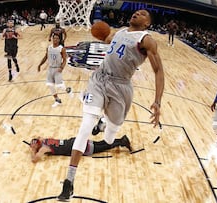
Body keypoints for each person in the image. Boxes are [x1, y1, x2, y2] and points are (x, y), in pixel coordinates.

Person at [57, 9, 165, 201]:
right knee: (84, 128)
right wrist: (101, 34)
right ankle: (69, 182)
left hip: (120, 88)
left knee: (109, 138)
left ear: (147, 23)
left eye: (142, 14)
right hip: (99, 80)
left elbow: (158, 72)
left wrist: (157, 101)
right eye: (137, 12)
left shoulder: (146, 40)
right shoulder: (121, 32)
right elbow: (109, 41)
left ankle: (105, 124)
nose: (137, 14)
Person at [29, 135, 132, 163]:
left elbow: (34, 160)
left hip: (76, 147)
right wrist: (36, 142)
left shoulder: (44, 148)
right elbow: (38, 137)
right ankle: (120, 140)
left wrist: (33, 151)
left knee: (103, 147)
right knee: (99, 143)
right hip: (73, 141)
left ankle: (122, 142)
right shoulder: (44, 140)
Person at [38, 34, 71, 107]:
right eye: (54, 38)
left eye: (57, 38)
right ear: (52, 39)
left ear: (59, 40)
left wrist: (62, 67)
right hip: (50, 68)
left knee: (59, 86)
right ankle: (57, 100)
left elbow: (65, 60)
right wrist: (40, 64)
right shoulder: (49, 48)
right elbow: (45, 57)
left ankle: (68, 90)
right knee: (50, 85)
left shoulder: (61, 49)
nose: (55, 40)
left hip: (57, 68)